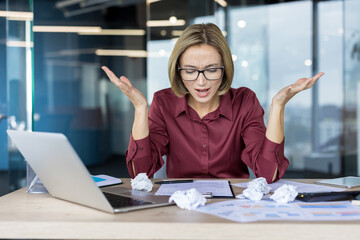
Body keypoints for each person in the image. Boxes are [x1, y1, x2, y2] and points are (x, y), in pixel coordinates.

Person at [102, 23, 324, 183]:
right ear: (178, 72)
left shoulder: (245, 101)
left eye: (211, 70)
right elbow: (140, 172)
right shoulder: (164, 101)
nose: (201, 82)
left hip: (234, 208)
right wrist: (140, 109)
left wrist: (278, 106)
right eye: (190, 71)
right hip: (180, 207)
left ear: (224, 68)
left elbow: (268, 173)